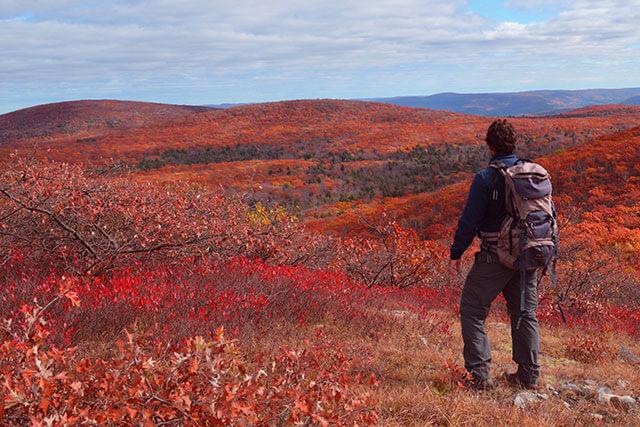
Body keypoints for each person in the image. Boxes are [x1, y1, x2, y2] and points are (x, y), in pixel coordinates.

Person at [449, 119, 540, 390]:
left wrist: (456, 252)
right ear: (514, 143)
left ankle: (479, 377)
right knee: (525, 314)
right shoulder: (532, 174)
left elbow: (469, 221)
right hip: (528, 255)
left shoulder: (486, 178)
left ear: (490, 146)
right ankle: (529, 376)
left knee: (473, 310)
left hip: (495, 257)